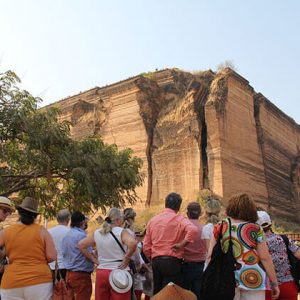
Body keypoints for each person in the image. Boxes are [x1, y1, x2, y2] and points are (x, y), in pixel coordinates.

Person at [206, 193, 280, 300]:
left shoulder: (220, 226)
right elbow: (265, 257)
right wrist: (274, 283)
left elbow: (210, 255)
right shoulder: (255, 229)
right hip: (253, 277)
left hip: (227, 277)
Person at [0, 196, 57, 300]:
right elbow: (52, 256)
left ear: (20, 213)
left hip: (11, 281)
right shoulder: (42, 231)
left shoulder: (6, 232)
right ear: (35, 216)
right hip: (40, 282)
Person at [143, 192, 198, 295]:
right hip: (173, 262)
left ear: (165, 204)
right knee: (171, 294)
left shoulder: (153, 220)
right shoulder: (180, 219)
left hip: (156, 261)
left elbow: (146, 245)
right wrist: (182, 244)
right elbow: (193, 230)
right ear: (178, 207)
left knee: (157, 293)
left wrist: (152, 257)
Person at [78, 207, 137, 300]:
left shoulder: (98, 233)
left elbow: (81, 245)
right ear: (118, 219)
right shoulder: (121, 232)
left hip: (102, 271)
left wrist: (94, 260)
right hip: (119, 271)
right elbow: (133, 243)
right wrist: (127, 258)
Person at [257, 210, 300, 300]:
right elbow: (298, 254)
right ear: (270, 224)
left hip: (265, 287)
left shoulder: (255, 244)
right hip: (287, 284)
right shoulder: (283, 238)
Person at [62, 211, 97, 300]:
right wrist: (95, 259)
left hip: (69, 274)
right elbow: (88, 252)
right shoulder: (81, 236)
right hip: (81, 275)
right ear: (82, 222)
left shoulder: (67, 235)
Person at [182, 202, 206, 300]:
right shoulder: (204, 228)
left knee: (185, 295)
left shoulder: (183, 228)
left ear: (187, 214)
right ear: (200, 213)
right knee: (199, 294)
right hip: (201, 266)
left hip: (185, 265)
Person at [48, 209, 71, 280]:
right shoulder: (70, 232)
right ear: (68, 219)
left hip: (50, 267)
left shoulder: (48, 232)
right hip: (65, 267)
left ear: (57, 219)